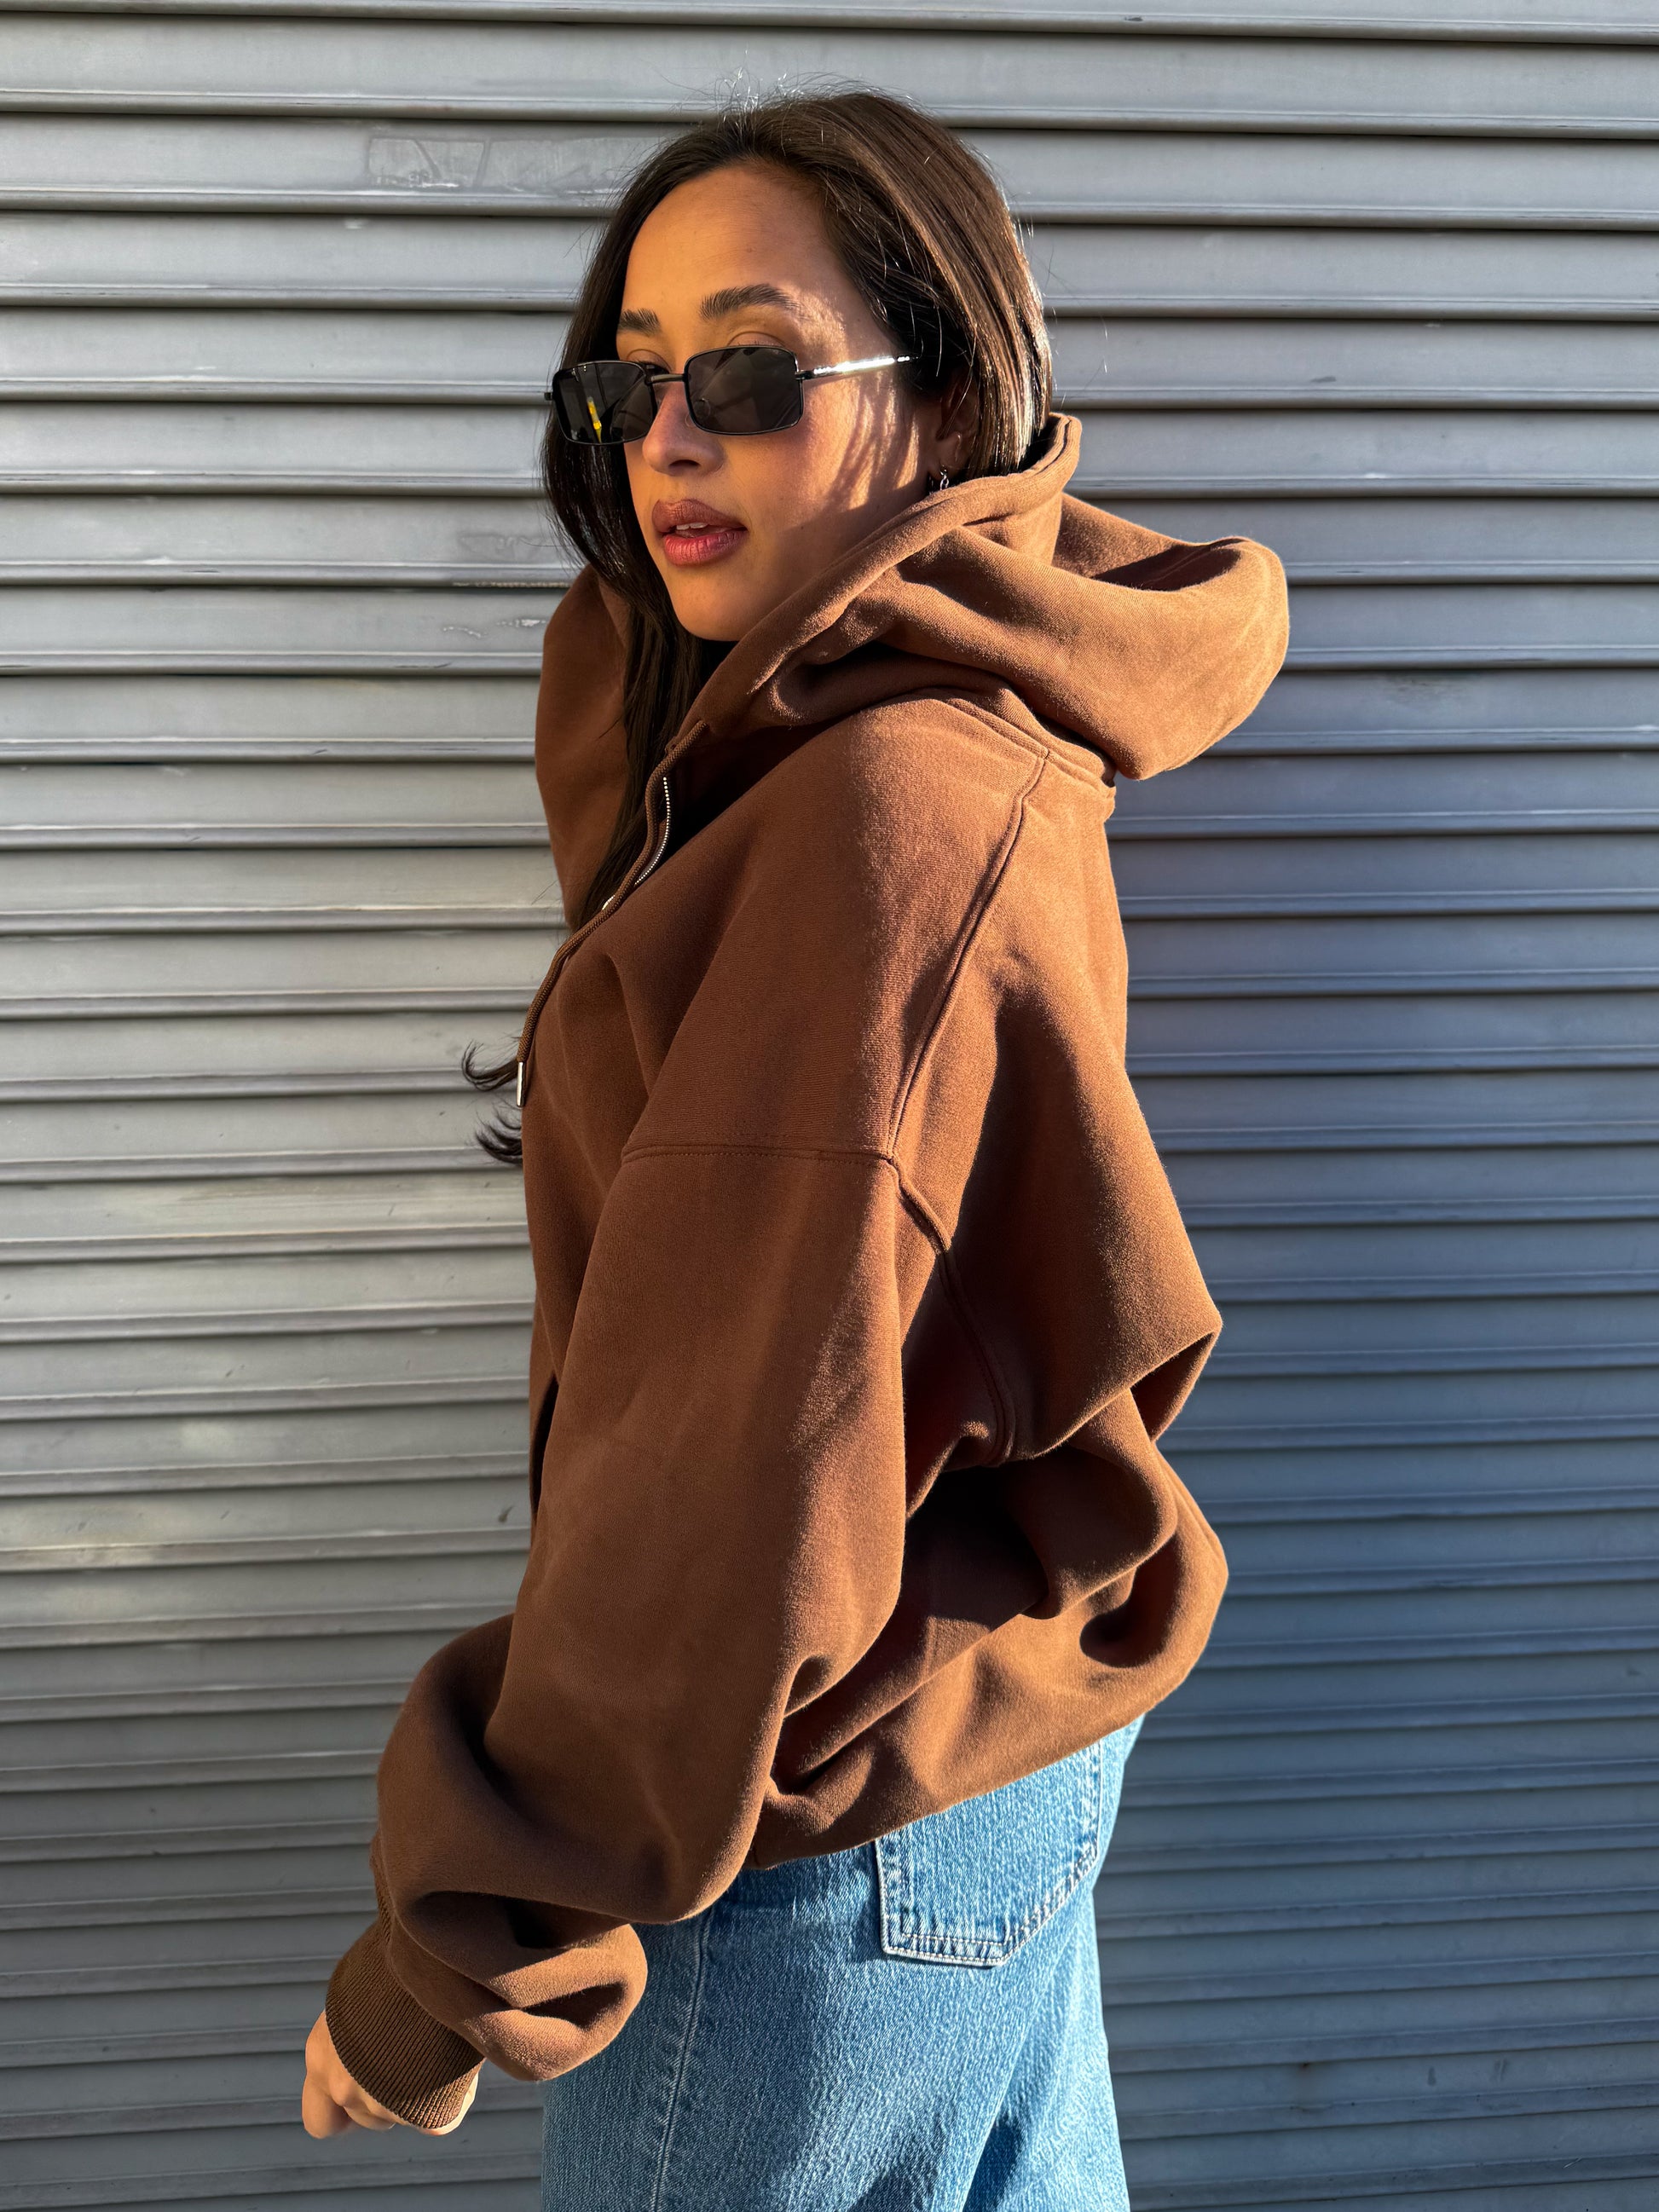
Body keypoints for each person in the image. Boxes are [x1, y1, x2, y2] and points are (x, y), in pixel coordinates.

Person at [299, 89, 1287, 2209]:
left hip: (812, 1843)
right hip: (988, 1753)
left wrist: (452, 1964)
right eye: (627, 382)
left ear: (941, 398)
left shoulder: (876, 812)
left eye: (747, 377)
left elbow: (732, 1478)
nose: (667, 441)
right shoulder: (864, 728)